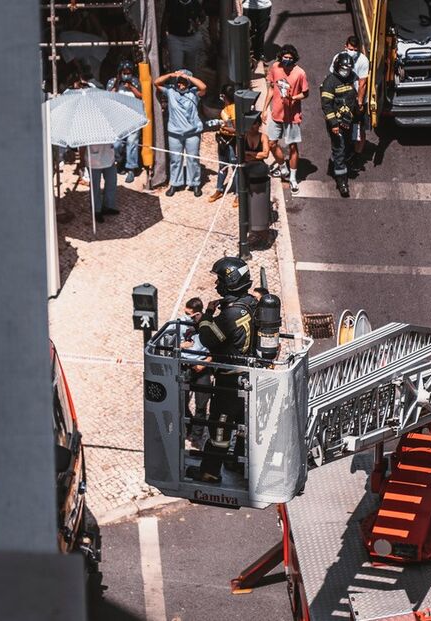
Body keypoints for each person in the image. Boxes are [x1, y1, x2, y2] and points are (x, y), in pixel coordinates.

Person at [188, 257, 259, 483]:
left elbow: (210, 338)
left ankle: (209, 472)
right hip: (245, 376)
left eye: (220, 279)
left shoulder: (230, 314)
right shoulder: (250, 303)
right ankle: (235, 463)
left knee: (219, 427)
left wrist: (206, 316)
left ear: (230, 281)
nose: (217, 284)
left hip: (228, 383)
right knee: (240, 426)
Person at [263, 44, 308, 193]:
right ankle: (283, 168)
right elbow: (271, 89)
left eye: (290, 58)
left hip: (292, 117)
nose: (287, 60)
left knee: (293, 147)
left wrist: (294, 97)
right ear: (281, 57)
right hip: (276, 114)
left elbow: (305, 93)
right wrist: (264, 110)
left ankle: (293, 178)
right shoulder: (275, 67)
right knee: (271, 144)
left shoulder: (300, 73)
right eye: (285, 57)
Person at [155, 69, 207, 197]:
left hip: (192, 133)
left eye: (183, 82)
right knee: (175, 160)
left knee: (193, 159)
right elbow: (156, 83)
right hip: (175, 132)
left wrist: (187, 77)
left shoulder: (194, 93)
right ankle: (175, 183)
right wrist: (171, 75)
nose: (180, 85)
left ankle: (194, 183)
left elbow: (203, 87)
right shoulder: (171, 91)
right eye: (179, 82)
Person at [320, 52, 360, 198]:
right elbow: (326, 106)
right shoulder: (330, 82)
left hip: (349, 120)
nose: (346, 72)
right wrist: (334, 124)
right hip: (336, 122)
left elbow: (354, 96)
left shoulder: (352, 77)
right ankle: (342, 181)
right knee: (339, 148)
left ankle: (339, 161)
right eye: (344, 68)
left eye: (348, 69)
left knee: (348, 145)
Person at [328, 36, 370, 162]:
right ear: (345, 46)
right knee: (343, 126)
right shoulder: (338, 57)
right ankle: (343, 151)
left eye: (355, 50)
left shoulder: (363, 60)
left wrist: (360, 102)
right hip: (341, 100)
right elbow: (332, 77)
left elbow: (362, 84)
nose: (352, 52)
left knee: (358, 128)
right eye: (350, 49)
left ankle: (357, 155)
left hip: (356, 100)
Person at [180, 298, 211, 450]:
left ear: (197, 314)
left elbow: (216, 349)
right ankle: (189, 426)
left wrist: (204, 363)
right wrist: (181, 345)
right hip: (185, 366)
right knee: (181, 401)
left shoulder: (208, 326)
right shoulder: (180, 324)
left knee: (201, 404)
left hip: (202, 369)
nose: (185, 316)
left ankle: (197, 435)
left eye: (189, 314)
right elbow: (171, 343)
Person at [107, 59, 143, 183]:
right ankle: (120, 160)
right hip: (117, 119)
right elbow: (108, 95)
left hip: (133, 118)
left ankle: (131, 169)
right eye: (124, 72)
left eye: (129, 73)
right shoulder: (113, 82)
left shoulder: (135, 82)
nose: (126, 75)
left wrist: (131, 87)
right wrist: (117, 83)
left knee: (132, 143)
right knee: (117, 144)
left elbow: (141, 96)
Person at [210, 85, 238, 204]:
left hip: (231, 141)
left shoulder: (233, 109)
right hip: (222, 140)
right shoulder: (226, 107)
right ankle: (219, 189)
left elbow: (236, 129)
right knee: (222, 166)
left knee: (234, 167)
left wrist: (221, 125)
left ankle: (238, 193)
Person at [164, 0, 206, 75]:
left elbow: (202, 16)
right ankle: (175, 85)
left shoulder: (195, 3)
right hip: (175, 39)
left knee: (192, 69)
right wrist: (164, 37)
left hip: (192, 38)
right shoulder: (172, 3)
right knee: (176, 68)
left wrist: (197, 24)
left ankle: (192, 85)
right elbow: (165, 19)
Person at [86, 143, 118, 223]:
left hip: (109, 157)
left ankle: (108, 206)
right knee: (95, 186)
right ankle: (97, 210)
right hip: (93, 160)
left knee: (112, 182)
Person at [239, 0, 272, 64]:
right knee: (248, 32)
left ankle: (259, 55)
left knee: (261, 31)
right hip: (247, 6)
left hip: (264, 6)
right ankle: (248, 55)